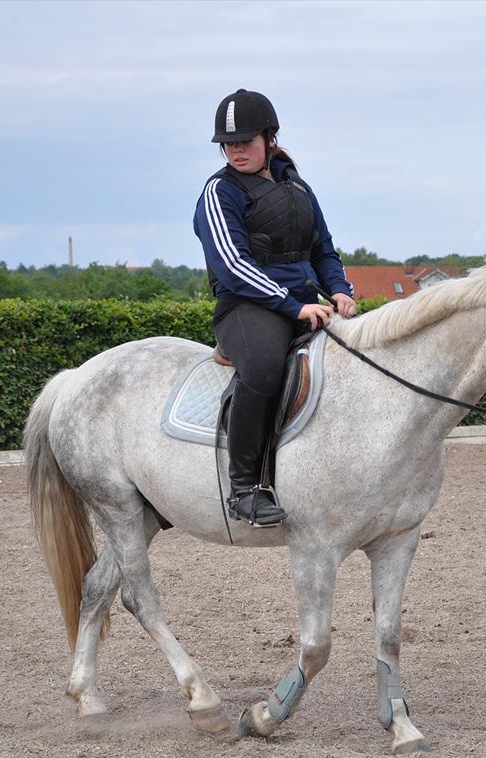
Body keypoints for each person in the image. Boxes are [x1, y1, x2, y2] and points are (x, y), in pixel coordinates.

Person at [194, 88, 356, 527]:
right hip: (247, 309)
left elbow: (323, 249)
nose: (235, 150)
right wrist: (291, 306)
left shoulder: (297, 186)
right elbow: (231, 265)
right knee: (264, 365)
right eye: (228, 144)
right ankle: (245, 488)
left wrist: (339, 289)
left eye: (245, 141)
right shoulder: (219, 192)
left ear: (269, 137)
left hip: (305, 304)